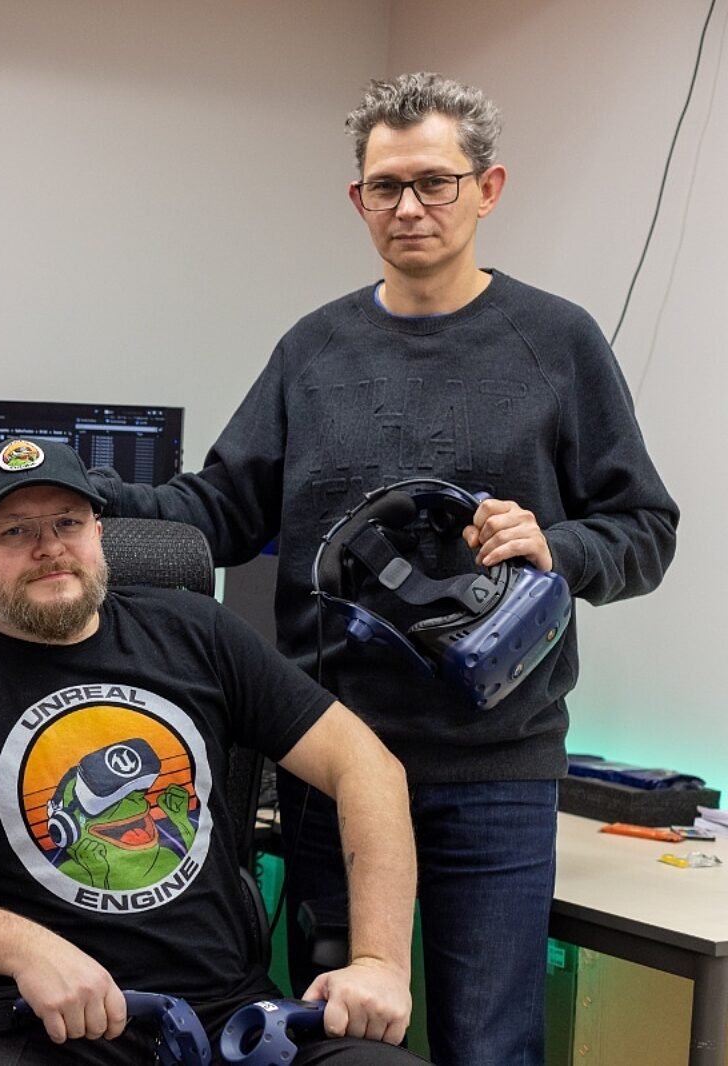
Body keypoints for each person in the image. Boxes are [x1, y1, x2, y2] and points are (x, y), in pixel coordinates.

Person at [89, 73, 679, 1066]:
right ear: (357, 199)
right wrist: (88, 503)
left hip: (495, 767)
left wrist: (556, 545)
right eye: (385, 187)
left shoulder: (557, 343)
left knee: (488, 1044)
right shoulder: (313, 351)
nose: (409, 207)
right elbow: (222, 510)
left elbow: (645, 529)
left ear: (487, 189)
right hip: (331, 761)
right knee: (331, 1040)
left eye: (434, 183)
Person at [0, 438, 424, 1065]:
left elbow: (368, 766)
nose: (50, 547)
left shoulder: (197, 631)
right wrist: (28, 949)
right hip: (38, 1026)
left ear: (98, 532)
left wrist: (380, 963)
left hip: (231, 1022)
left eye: (68, 522)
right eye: (14, 531)